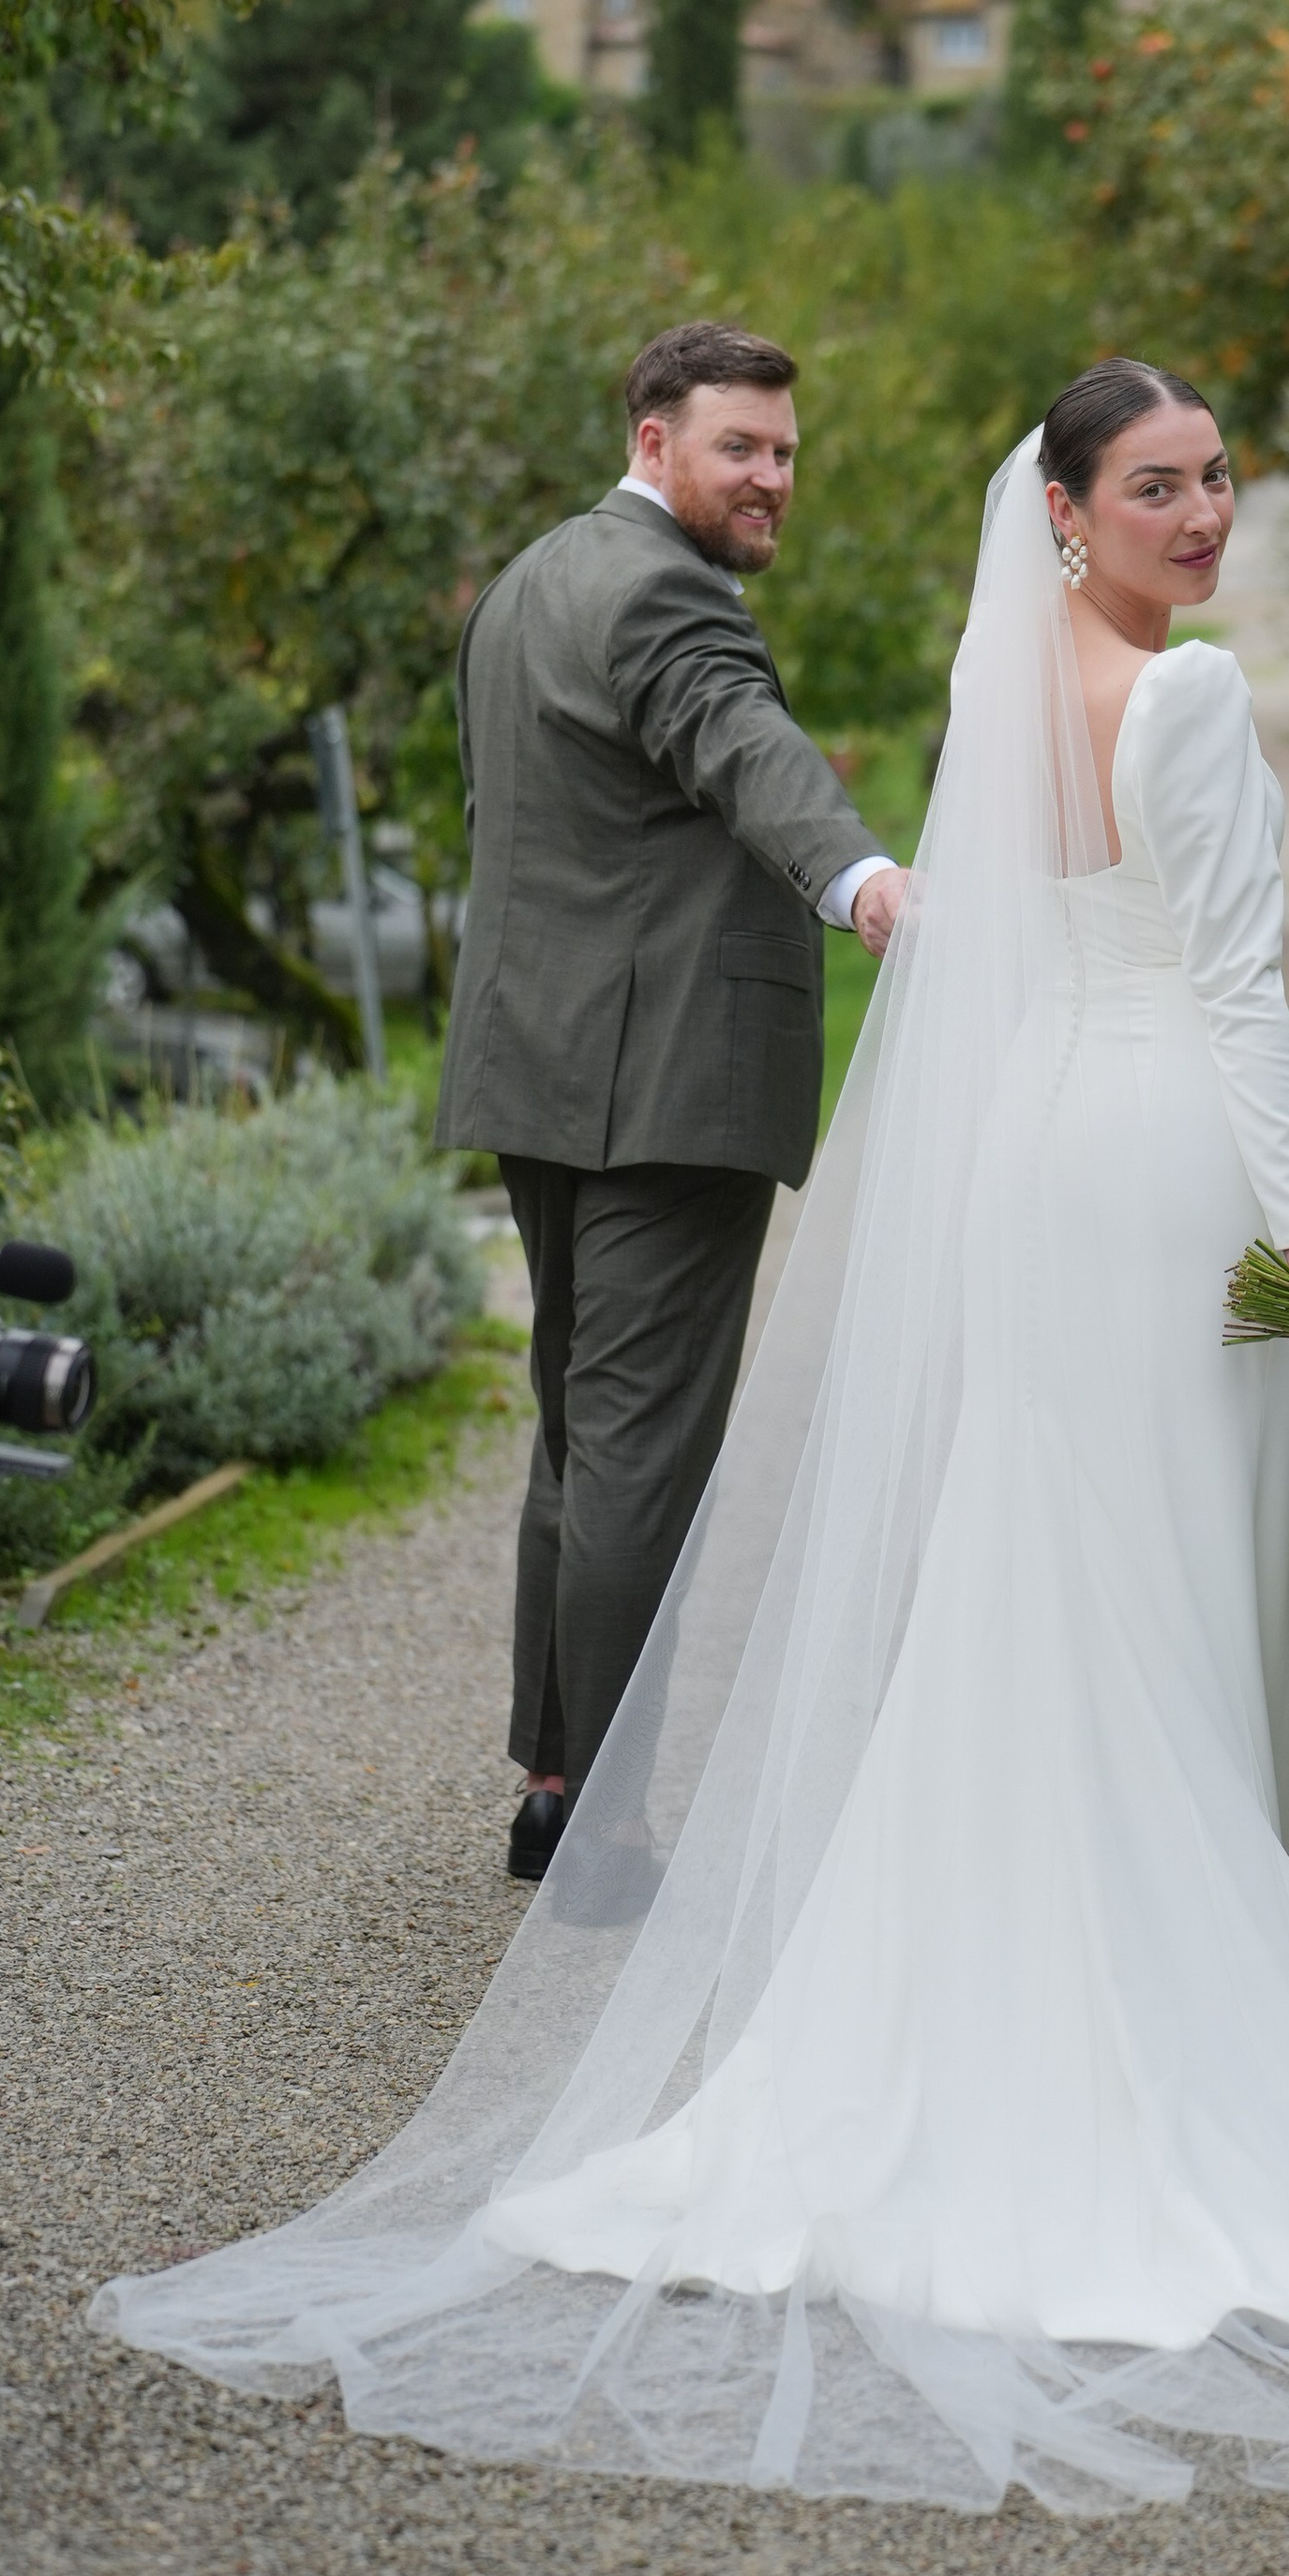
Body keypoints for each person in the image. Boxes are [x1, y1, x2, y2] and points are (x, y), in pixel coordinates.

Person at [96, 360, 1289, 2510]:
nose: (1200, 517)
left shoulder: (1001, 691)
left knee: (1032, 1573)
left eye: (1217, 483)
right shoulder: (1183, 699)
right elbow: (1228, 995)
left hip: (1031, 1165)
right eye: (1158, 486)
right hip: (1159, 1170)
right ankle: (1161, 2036)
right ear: (1072, 512)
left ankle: (958, 2016)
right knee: (1153, 1594)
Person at [434, 321, 907, 1880]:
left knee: (583, 1433)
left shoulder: (527, 585)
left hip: (543, 1063)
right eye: (739, 449)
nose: (772, 476)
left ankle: (554, 1780)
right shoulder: (666, 594)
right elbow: (740, 740)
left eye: (783, 449)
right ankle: (604, 1819)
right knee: (641, 1446)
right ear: (655, 443)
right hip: (667, 1085)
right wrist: (860, 876)